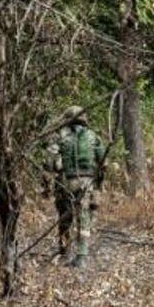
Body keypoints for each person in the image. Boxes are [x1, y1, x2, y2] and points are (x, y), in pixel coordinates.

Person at [45, 106, 105, 267]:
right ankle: (82, 256)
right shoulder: (94, 137)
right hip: (87, 182)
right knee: (83, 217)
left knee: (65, 216)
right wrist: (98, 183)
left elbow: (50, 163)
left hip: (66, 181)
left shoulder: (59, 136)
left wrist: (48, 182)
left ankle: (64, 251)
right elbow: (102, 162)